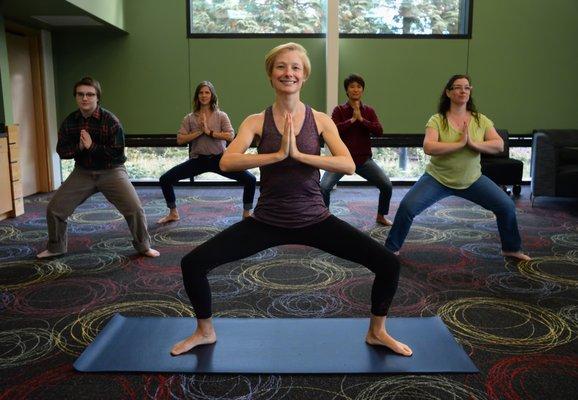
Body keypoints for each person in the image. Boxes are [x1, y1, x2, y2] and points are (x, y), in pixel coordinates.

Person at [171, 43, 412, 357]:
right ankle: (204, 331)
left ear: (305, 75)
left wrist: (300, 155)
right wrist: (276, 155)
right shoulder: (256, 121)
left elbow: (348, 164)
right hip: (267, 221)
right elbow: (227, 162)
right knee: (193, 263)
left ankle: (377, 332)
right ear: (271, 75)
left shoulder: (321, 120)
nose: (289, 73)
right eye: (281, 67)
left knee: (388, 264)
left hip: (315, 219)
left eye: (295, 67)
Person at [385, 74, 530, 261]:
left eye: (467, 87)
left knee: (506, 206)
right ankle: (390, 249)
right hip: (437, 179)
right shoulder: (437, 120)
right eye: (458, 87)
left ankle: (511, 248)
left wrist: (473, 144)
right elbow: (429, 147)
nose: (463, 91)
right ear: (448, 92)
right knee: (407, 207)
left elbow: (498, 145)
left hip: (472, 179)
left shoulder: (480, 120)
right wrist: (459, 144)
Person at [37, 77, 159, 258]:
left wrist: (91, 147)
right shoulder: (70, 122)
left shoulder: (110, 121)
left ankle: (143, 247)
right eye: (80, 94)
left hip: (111, 171)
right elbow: (62, 151)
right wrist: (79, 147)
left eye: (89, 94)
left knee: (134, 209)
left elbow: (117, 154)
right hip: (83, 172)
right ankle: (56, 247)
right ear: (76, 97)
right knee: (54, 209)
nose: (85, 98)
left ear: (97, 97)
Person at [157, 81, 256, 223]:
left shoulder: (221, 115)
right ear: (197, 96)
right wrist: (199, 132)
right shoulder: (190, 118)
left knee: (250, 180)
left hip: (220, 160)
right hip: (198, 160)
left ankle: (246, 214)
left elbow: (230, 135)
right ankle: (173, 213)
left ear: (212, 95)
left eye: (207, 92)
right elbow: (180, 139)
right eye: (201, 93)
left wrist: (209, 132)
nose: (204, 95)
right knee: (165, 179)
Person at [320, 74, 393, 225]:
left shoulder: (369, 111)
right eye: (352, 86)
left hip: (363, 160)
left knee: (386, 185)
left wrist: (361, 120)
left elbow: (379, 131)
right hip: (341, 160)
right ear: (347, 90)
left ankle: (381, 216)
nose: (355, 89)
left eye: (359, 87)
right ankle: (324, 219)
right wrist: (352, 120)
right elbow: (333, 130)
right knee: (323, 187)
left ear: (362, 90)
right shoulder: (339, 110)